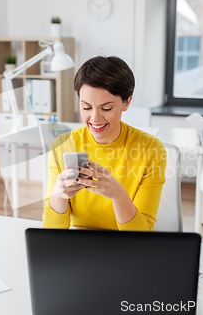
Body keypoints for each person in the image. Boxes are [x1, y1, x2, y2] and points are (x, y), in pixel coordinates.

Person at [43, 56, 167, 231]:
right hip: (78, 246)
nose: (95, 118)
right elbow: (52, 232)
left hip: (124, 247)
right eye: (86, 107)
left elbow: (142, 236)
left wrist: (118, 195)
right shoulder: (63, 145)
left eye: (106, 108)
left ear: (127, 102)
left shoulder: (150, 150)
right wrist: (59, 195)